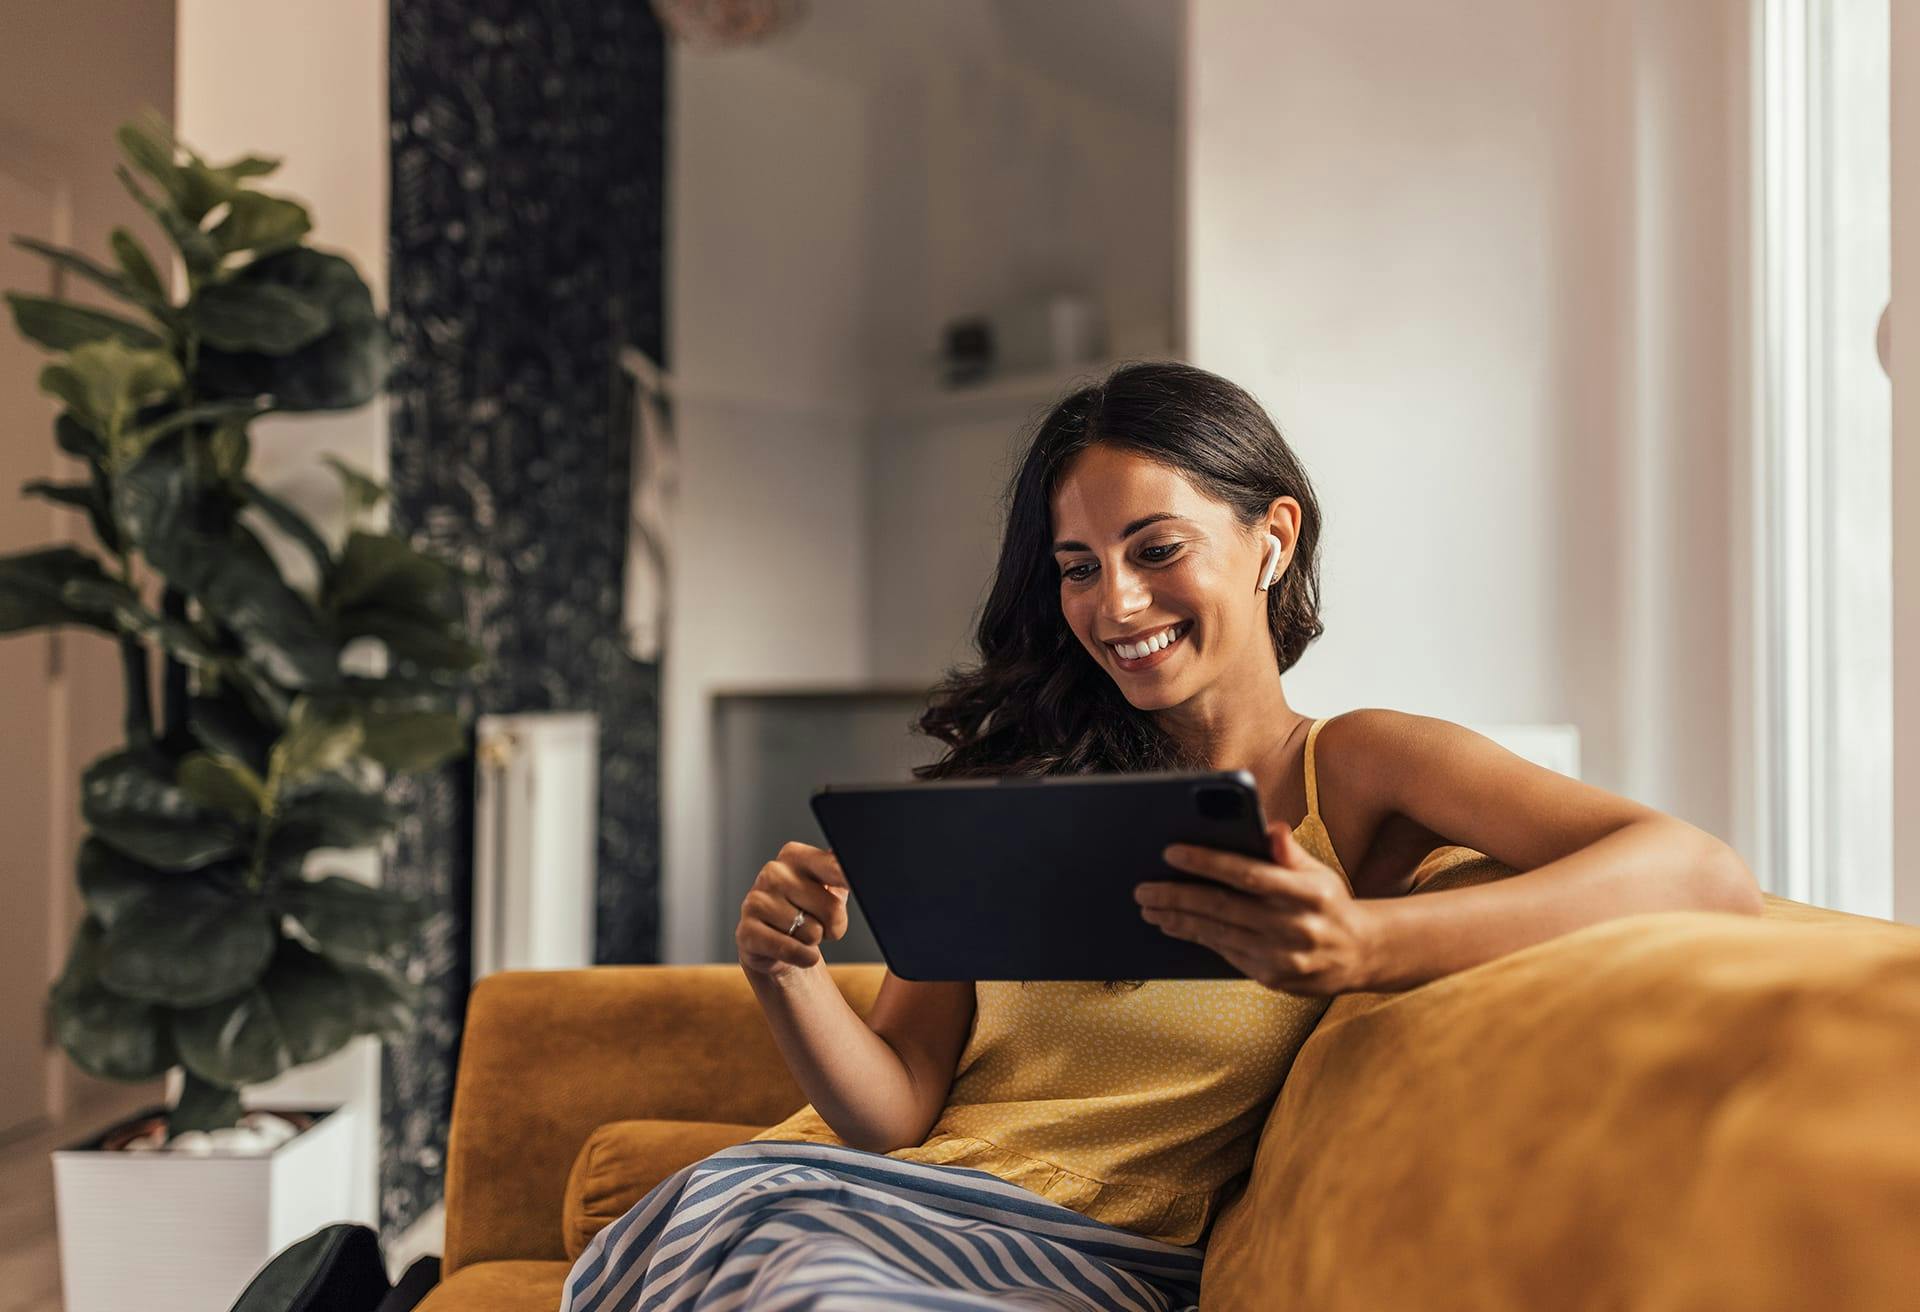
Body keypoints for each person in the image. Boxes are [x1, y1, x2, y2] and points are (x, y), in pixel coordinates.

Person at [560, 360, 1763, 1311]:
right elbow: (895, 1107)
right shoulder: (1024, 791)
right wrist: (789, 976)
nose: (1115, 605)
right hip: (855, 1204)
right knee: (805, 1281)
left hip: (1082, 1264)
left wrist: (1364, 942)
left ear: (1271, 536)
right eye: (1080, 568)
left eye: (1157, 549)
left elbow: (1699, 872)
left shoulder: (1354, 767)